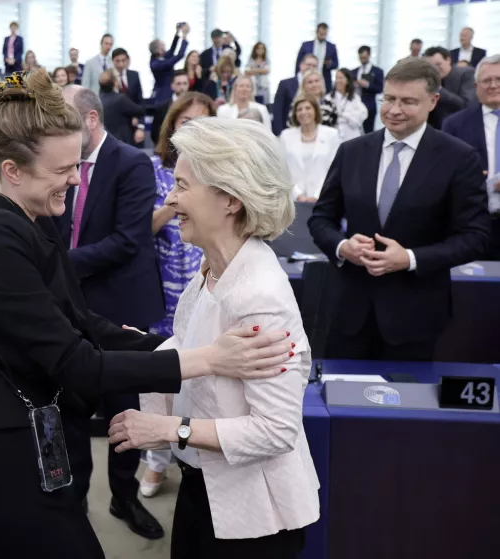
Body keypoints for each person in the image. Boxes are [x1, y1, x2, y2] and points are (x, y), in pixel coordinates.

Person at [0, 68, 293, 559]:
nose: (74, 179)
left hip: (41, 443)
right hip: (3, 460)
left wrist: (177, 350)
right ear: (13, 170)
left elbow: (82, 321)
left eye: (77, 165)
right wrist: (206, 359)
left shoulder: (34, 218)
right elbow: (77, 359)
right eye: (62, 170)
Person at [110, 117, 319, 559]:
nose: (170, 198)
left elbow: (276, 429)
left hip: (252, 520)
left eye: (182, 185)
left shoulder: (259, 296)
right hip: (203, 489)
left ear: (229, 199)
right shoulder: (210, 271)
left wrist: (168, 428)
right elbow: (195, 356)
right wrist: (133, 350)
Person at [308, 57, 492, 360]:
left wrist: (409, 258)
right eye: (389, 99)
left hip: (415, 316)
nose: (394, 110)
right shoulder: (351, 151)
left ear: (433, 101)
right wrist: (343, 247)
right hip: (348, 314)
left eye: (408, 102)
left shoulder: (458, 158)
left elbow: (475, 236)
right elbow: (321, 219)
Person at [55, 82, 161, 540]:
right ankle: (73, 501)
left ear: (91, 120)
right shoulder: (56, 160)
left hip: (119, 307)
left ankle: (124, 497)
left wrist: (56, 266)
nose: (53, 129)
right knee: (71, 409)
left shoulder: (132, 163)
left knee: (124, 412)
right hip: (69, 308)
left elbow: (127, 240)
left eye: (63, 120)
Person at [139, 92, 212, 498]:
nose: (193, 131)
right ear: (172, 127)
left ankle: (196, 458)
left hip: (209, 286)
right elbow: (142, 229)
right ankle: (156, 462)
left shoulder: (221, 171)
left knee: (203, 376)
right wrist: (175, 203)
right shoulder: (154, 169)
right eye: (186, 123)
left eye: (202, 123)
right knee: (163, 376)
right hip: (165, 288)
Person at [443, 54, 500, 259]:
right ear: (476, 87)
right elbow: (442, 174)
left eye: (499, 79)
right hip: (473, 224)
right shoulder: (454, 125)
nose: (493, 85)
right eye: (487, 80)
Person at [280, 96, 340, 203]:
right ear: (295, 114)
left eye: (308, 108)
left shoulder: (331, 135)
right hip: (294, 199)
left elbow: (334, 169)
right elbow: (283, 170)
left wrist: (317, 195)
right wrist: (298, 195)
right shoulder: (286, 136)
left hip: (324, 197)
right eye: (299, 109)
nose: (303, 112)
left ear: (316, 111)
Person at [149, 24, 190, 104]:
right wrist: (184, 35)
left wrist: (177, 32)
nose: (165, 47)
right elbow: (180, 55)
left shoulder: (159, 58)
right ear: (158, 50)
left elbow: (172, 50)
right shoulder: (156, 64)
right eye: (163, 45)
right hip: (164, 95)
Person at [295, 22, 339, 91]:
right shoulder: (306, 45)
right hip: (306, 77)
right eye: (321, 34)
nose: (323, 36)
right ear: (317, 32)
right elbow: (298, 63)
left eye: (325, 34)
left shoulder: (332, 47)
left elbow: (336, 64)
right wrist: (296, 80)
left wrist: (329, 63)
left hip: (324, 79)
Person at [329, 68, 369, 140]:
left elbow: (362, 114)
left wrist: (343, 115)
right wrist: (350, 114)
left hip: (352, 134)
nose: (338, 81)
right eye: (336, 78)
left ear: (347, 80)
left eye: (341, 78)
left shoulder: (355, 98)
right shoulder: (329, 98)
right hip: (335, 133)